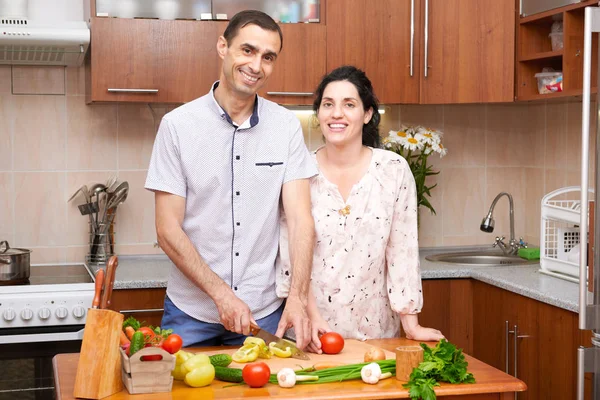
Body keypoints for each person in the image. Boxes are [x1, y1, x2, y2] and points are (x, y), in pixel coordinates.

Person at [145, 10, 318, 349]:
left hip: (263, 314)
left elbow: (301, 220)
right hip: (190, 313)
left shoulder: (286, 127)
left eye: (268, 57)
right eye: (248, 50)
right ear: (223, 46)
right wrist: (221, 294)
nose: (256, 66)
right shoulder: (177, 126)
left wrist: (297, 298)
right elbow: (167, 229)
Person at [276, 65, 444, 352]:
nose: (336, 113)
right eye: (328, 105)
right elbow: (289, 251)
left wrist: (411, 323)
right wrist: (310, 317)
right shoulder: (299, 169)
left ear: (367, 114)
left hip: (376, 334)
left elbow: (401, 249)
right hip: (311, 334)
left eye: (349, 104)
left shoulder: (393, 170)